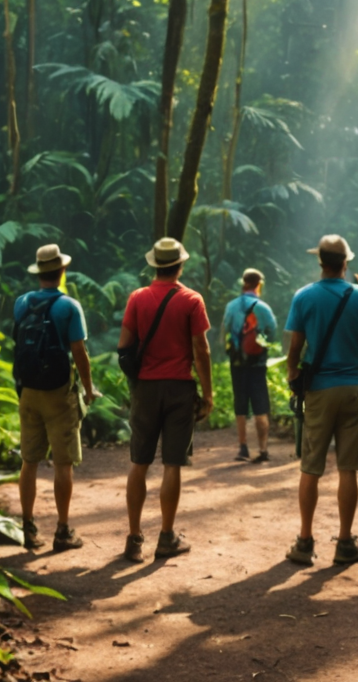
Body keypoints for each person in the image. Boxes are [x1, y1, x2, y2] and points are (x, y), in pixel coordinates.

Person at [283, 235, 358, 567]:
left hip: (319, 391)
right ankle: (344, 543)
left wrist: (293, 378)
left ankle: (304, 542)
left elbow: (295, 350)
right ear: (346, 263)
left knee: (311, 468)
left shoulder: (304, 297)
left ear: (320, 262)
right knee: (348, 469)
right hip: (354, 387)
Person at [117, 237, 214, 563]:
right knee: (173, 464)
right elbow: (201, 350)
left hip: (145, 388)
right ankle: (166, 537)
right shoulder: (191, 300)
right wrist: (209, 393)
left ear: (155, 264)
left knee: (139, 463)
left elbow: (124, 345)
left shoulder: (138, 298)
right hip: (178, 389)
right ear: (180, 265)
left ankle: (134, 539)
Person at [13, 244, 99, 552]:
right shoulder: (68, 307)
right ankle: (62, 531)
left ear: (39, 272)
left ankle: (28, 527)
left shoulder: (21, 303)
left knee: (29, 461)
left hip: (28, 391)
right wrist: (88, 390)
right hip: (59, 393)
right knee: (63, 462)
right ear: (61, 271)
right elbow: (79, 353)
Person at [222, 268, 278, 462]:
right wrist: (263, 347)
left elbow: (225, 331)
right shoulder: (263, 307)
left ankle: (243, 448)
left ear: (243, 283)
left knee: (241, 404)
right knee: (260, 405)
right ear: (258, 285)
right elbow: (272, 331)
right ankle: (263, 450)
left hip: (237, 362)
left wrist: (231, 349)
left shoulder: (231, 306)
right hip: (258, 363)